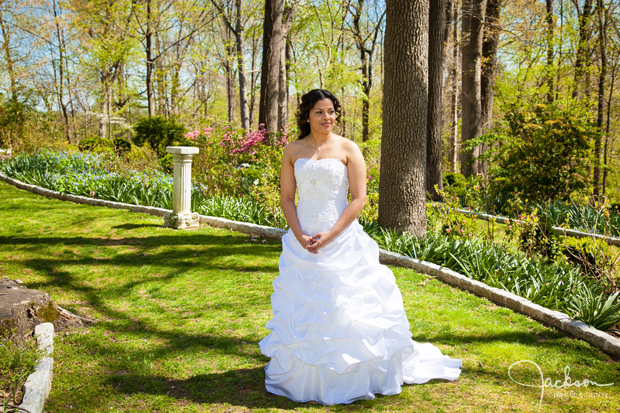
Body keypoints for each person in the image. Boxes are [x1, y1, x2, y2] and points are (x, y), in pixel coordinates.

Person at [259, 89, 461, 405]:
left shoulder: (348, 148)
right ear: (307, 116)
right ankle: (307, 376)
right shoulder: (293, 150)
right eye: (319, 112)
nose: (327, 118)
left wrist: (331, 235)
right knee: (306, 310)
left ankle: (353, 373)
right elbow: (287, 197)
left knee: (345, 306)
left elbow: (358, 199)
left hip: (340, 239)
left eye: (331, 111)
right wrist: (299, 235)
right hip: (303, 241)